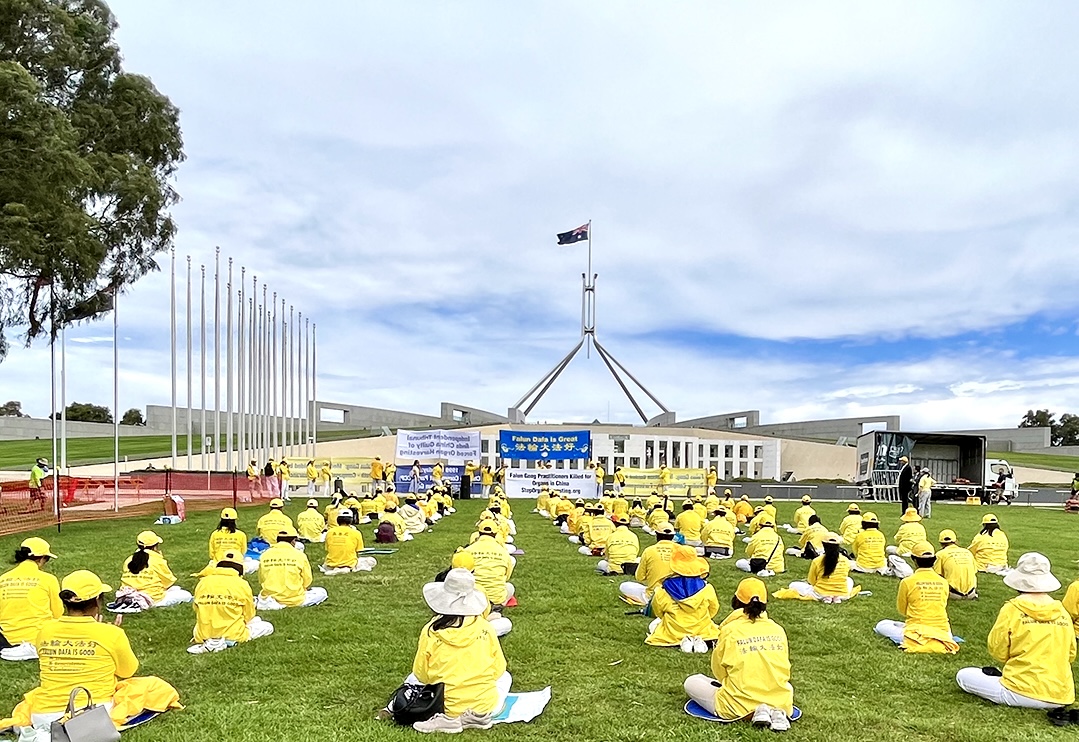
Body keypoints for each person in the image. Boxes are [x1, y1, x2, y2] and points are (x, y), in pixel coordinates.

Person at [0, 571, 181, 738]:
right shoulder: (111, 633)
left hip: (42, 713)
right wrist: (109, 634)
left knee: (35, 695)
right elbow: (128, 671)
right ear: (96, 600)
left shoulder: (45, 630)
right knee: (153, 686)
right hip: (92, 713)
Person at [956, 552, 1075, 709]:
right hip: (1061, 695)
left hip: (1020, 691)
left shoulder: (1012, 609)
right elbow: (1071, 654)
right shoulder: (1062, 612)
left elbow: (998, 651)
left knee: (964, 675)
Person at [402, 568, 510, 733]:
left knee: (412, 679)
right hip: (486, 707)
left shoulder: (431, 631)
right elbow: (498, 669)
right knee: (506, 677)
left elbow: (421, 673)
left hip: (442, 704)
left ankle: (450, 719)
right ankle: (475, 716)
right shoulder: (485, 627)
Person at [683, 578, 794, 731]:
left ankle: (754, 710)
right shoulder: (778, 629)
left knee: (692, 681)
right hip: (780, 701)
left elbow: (719, 672)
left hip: (737, 705)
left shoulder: (729, 630)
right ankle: (772, 710)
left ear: (736, 600)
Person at [874, 542, 959, 653]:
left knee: (882, 625)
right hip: (944, 633)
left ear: (914, 560)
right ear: (934, 560)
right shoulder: (943, 582)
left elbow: (902, 610)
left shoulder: (907, 582)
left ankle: (920, 639)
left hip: (916, 633)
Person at [189, 550, 274, 654]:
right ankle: (226, 641)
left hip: (203, 634)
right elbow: (249, 615)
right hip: (234, 634)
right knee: (266, 626)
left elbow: (196, 609)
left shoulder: (203, 582)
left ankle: (213, 640)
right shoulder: (242, 584)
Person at [646, 545, 720, 651]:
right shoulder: (707, 588)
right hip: (702, 630)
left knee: (653, 625)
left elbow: (659, 612)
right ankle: (697, 640)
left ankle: (685, 641)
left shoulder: (662, 590)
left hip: (673, 633)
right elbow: (713, 610)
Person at [0, 538, 61, 662]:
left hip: (7, 639)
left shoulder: (2, 579)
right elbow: (58, 613)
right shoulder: (49, 579)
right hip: (40, 638)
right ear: (41, 558)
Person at [115, 531, 192, 611]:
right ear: (155, 546)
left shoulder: (129, 559)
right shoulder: (157, 559)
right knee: (186, 594)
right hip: (153, 598)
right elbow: (168, 582)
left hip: (128, 595)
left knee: (176, 588)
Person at [257, 526, 327, 609]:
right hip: (294, 599)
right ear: (293, 541)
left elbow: (261, 579)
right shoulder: (300, 555)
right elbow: (307, 580)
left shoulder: (265, 555)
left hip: (270, 598)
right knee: (322, 592)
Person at [781, 534, 855, 603]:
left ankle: (828, 596)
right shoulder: (846, 561)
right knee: (849, 580)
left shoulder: (817, 561)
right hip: (842, 594)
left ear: (823, 545)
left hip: (820, 593)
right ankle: (835, 597)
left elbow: (812, 581)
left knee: (792, 585)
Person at [620, 524, 677, 604]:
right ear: (673, 536)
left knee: (624, 586)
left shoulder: (649, 551)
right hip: (677, 595)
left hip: (654, 595)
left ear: (656, 534)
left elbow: (639, 577)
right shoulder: (683, 551)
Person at [465, 523, 515, 608]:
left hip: (472, 597)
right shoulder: (504, 552)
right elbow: (506, 577)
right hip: (495, 599)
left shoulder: (467, 550)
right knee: (509, 587)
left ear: (479, 533)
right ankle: (498, 605)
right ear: (495, 534)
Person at [202, 507, 249, 576]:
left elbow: (211, 554)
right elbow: (243, 552)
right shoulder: (241, 534)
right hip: (235, 566)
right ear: (234, 520)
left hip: (217, 565)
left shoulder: (214, 534)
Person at [935, 530, 978, 600]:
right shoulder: (968, 552)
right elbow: (974, 571)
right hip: (971, 593)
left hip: (953, 594)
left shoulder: (940, 554)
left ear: (941, 543)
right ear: (956, 541)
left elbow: (937, 576)